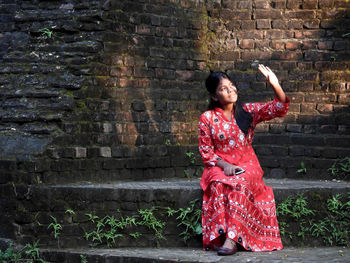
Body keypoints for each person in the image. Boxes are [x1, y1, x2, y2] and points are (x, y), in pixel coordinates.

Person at [198, 64, 290, 256]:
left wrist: (275, 84)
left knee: (239, 184)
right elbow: (206, 152)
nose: (230, 91)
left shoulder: (248, 111)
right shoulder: (207, 118)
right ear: (215, 97)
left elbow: (280, 107)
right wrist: (225, 166)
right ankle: (223, 236)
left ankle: (232, 240)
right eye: (223, 89)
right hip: (219, 165)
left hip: (247, 164)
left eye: (231, 86)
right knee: (218, 185)